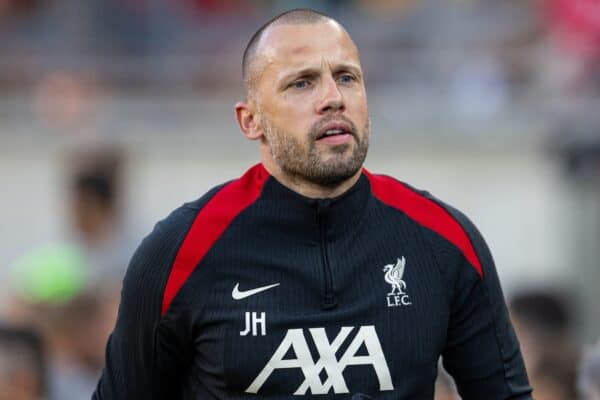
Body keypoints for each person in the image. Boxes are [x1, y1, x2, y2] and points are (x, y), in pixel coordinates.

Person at [93, 9, 532, 399]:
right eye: (302, 83)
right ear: (251, 121)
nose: (333, 98)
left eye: (347, 77)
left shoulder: (443, 242)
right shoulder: (177, 252)